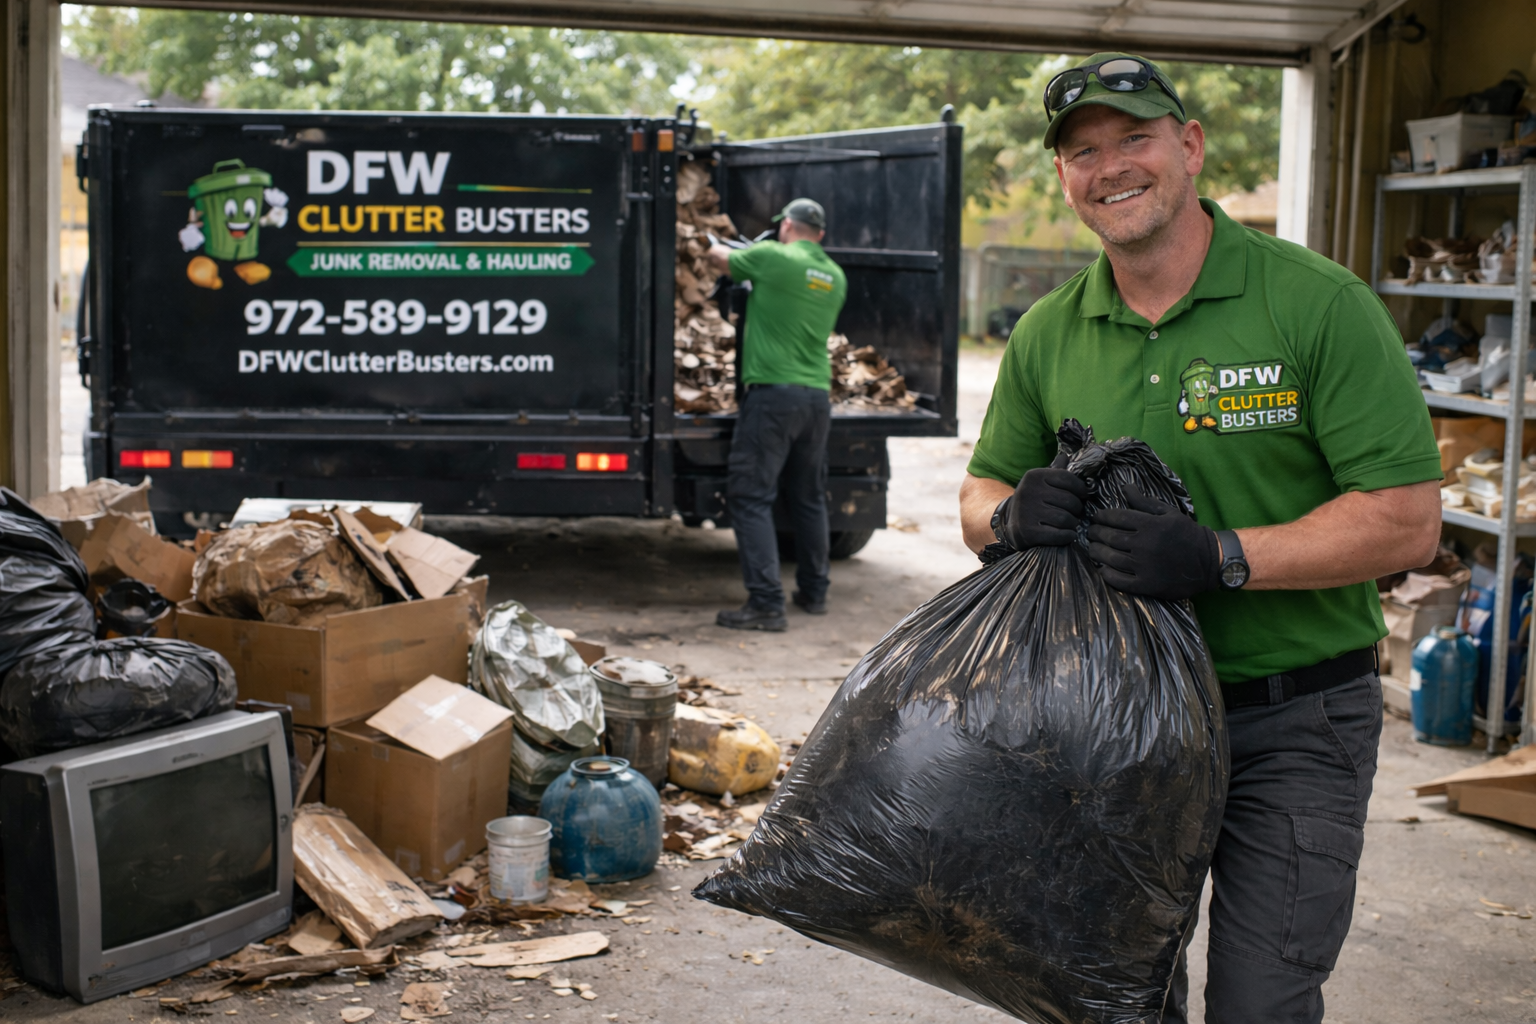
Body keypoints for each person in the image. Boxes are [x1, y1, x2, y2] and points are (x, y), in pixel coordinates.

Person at [959, 53, 1443, 1024]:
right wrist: (1012, 518)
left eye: (1133, 137)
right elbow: (979, 491)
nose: (1110, 167)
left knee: (1263, 1002)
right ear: (1065, 177)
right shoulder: (1051, 331)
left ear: (1189, 147)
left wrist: (1221, 556)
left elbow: (1407, 520)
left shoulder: (1316, 304)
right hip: (1105, 725)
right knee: (1110, 996)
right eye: (1083, 151)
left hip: (1293, 721)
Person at [707, 198, 848, 632]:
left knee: (751, 497)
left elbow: (719, 258)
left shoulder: (771, 258)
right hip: (815, 399)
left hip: (772, 397)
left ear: (786, 226)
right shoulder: (835, 276)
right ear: (819, 235)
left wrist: (713, 241)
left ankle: (766, 604)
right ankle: (815, 591)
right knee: (807, 496)